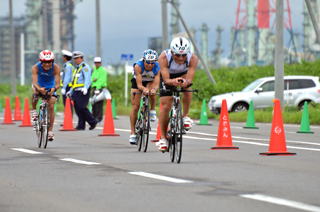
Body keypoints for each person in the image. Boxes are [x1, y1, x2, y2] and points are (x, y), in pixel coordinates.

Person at [157, 37, 198, 152]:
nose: (181, 58)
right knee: (165, 107)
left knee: (187, 87)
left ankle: (185, 116)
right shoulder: (164, 57)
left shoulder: (193, 58)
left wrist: (185, 82)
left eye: (184, 55)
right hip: (167, 77)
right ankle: (164, 138)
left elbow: (189, 79)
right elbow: (166, 79)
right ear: (171, 52)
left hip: (183, 74)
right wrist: (173, 81)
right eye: (177, 55)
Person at [129, 49, 160, 145]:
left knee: (152, 92)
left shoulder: (158, 67)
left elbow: (156, 84)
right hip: (138, 82)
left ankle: (152, 110)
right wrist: (144, 90)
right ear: (143, 60)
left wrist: (154, 89)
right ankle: (133, 133)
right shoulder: (138, 66)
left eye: (153, 62)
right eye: (148, 62)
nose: (150, 65)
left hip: (150, 80)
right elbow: (139, 85)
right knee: (135, 107)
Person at [31, 50, 61, 141]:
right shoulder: (35, 67)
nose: (47, 64)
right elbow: (34, 83)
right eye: (45, 62)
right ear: (41, 61)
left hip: (51, 86)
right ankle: (33, 110)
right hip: (39, 84)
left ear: (52, 61)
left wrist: (54, 89)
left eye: (49, 62)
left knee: (51, 105)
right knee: (35, 93)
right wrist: (39, 89)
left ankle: (50, 132)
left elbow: (58, 84)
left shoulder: (56, 68)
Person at [67, 51, 98, 130]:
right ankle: (81, 124)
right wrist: (71, 91)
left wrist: (86, 88)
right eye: (75, 58)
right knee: (77, 108)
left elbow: (87, 79)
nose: (76, 60)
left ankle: (93, 121)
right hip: (76, 91)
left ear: (81, 58)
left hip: (82, 91)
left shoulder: (85, 67)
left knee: (82, 107)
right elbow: (74, 82)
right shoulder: (76, 69)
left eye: (77, 58)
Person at [91, 57, 107, 123]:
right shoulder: (94, 70)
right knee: (93, 103)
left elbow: (102, 81)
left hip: (100, 88)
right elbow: (92, 79)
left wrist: (97, 87)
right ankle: (94, 117)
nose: (97, 64)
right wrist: (94, 83)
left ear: (100, 63)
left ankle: (99, 118)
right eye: (96, 63)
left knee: (99, 104)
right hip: (95, 88)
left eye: (98, 63)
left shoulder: (103, 71)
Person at [60, 50, 75, 118]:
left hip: (67, 87)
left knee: (67, 103)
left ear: (65, 58)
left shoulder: (68, 66)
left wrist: (63, 88)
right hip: (68, 87)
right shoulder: (69, 65)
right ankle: (68, 118)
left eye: (63, 57)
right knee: (67, 103)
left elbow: (67, 78)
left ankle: (68, 119)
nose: (62, 58)